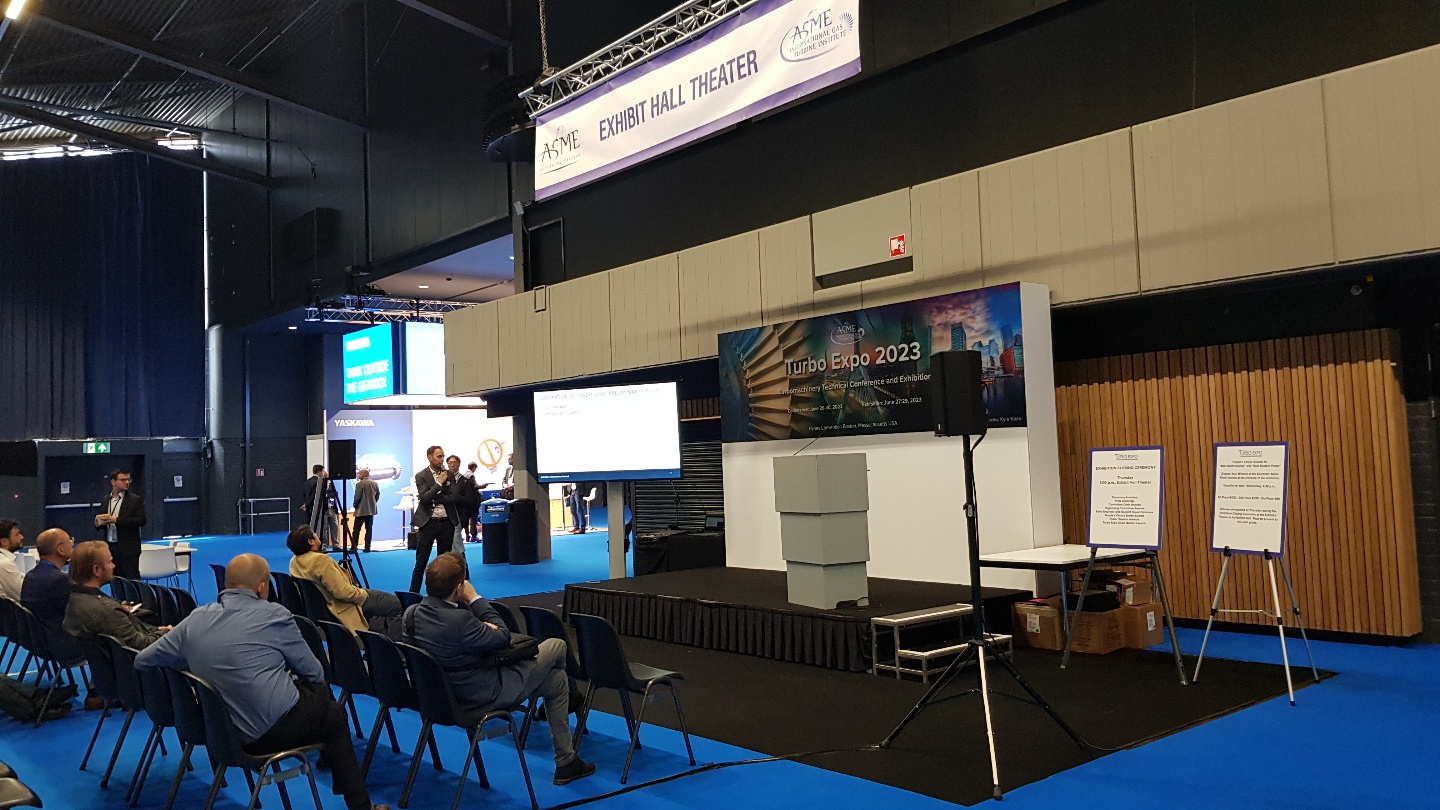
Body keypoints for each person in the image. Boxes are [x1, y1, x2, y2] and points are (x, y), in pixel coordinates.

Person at [135, 554, 389, 810]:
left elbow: (143, 660)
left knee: (321, 707)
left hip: (220, 732)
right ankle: (359, 803)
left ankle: (335, 769)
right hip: (267, 733)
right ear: (262, 588)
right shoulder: (274, 615)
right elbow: (314, 673)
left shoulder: (195, 620)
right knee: (333, 713)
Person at [404, 554, 595, 786]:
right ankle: (560, 733)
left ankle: (566, 762)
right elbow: (503, 635)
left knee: (556, 681)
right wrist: (474, 598)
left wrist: (477, 628)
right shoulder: (460, 621)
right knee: (557, 645)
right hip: (481, 695)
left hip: (438, 696)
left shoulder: (412, 614)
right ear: (459, 588)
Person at [286, 525, 401, 638]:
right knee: (396, 605)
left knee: (380, 608)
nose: (317, 534)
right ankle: (396, 647)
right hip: (342, 605)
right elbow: (342, 592)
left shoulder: (294, 561)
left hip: (323, 607)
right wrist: (362, 594)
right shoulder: (321, 561)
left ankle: (376, 635)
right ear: (311, 541)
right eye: (314, 533)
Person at [23, 529, 93, 706]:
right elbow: (81, 614)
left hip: (39, 642)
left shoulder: (31, 576)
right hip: (63, 645)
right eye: (69, 541)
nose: (72, 544)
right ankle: (96, 693)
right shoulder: (58, 580)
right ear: (60, 550)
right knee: (109, 637)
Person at [63, 540, 169, 649]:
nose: (113, 566)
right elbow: (141, 645)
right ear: (97, 570)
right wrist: (166, 632)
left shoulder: (74, 600)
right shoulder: (109, 610)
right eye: (110, 562)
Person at [409, 445, 459, 593]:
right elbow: (424, 498)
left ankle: (443, 595)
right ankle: (413, 594)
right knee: (421, 562)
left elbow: (453, 497)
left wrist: (435, 497)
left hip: (447, 523)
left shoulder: (449, 475)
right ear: (430, 458)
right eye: (439, 456)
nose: (442, 459)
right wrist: (438, 484)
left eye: (443, 456)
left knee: (445, 564)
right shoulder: (421, 475)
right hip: (428, 523)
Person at [94, 469, 146, 579]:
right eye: (123, 480)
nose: (127, 482)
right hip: (110, 547)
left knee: (132, 580)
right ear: (113, 482)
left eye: (128, 480)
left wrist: (116, 520)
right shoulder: (105, 500)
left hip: (129, 548)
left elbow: (141, 521)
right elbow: (101, 522)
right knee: (114, 579)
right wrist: (98, 522)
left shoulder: (135, 500)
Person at [302, 465, 341, 549]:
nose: (325, 473)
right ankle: (324, 545)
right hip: (323, 509)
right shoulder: (317, 483)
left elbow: (335, 493)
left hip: (331, 508)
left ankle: (335, 544)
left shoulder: (329, 483)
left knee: (334, 526)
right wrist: (307, 504)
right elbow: (313, 496)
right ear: (320, 472)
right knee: (324, 527)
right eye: (324, 471)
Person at [446, 455, 476, 548]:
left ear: (459, 464)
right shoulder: (443, 479)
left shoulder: (465, 480)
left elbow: (470, 500)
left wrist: (455, 497)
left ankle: (461, 557)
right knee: (449, 543)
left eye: (454, 462)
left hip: (459, 515)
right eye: (450, 463)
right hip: (445, 516)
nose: (452, 465)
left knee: (456, 539)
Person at [352, 468, 379, 553]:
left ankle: (354, 547)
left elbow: (357, 497)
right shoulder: (375, 483)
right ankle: (367, 547)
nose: (358, 475)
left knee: (356, 530)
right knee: (369, 529)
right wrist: (372, 503)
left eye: (360, 474)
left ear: (364, 474)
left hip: (361, 510)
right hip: (371, 510)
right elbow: (377, 496)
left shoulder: (360, 484)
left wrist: (355, 505)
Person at [0, 519, 24, 600]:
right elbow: (23, 595)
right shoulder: (4, 564)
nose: (22, 537)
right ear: (4, 541)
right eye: (17, 535)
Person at [463, 462, 482, 542]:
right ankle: (474, 535)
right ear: (474, 467)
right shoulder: (471, 476)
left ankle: (467, 535)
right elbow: (475, 486)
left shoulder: (464, 475)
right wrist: (483, 486)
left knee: (465, 519)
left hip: (465, 500)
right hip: (473, 500)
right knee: (474, 518)